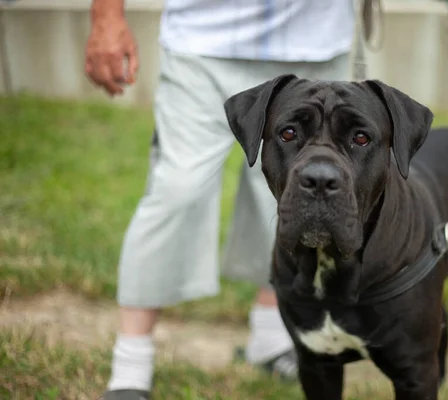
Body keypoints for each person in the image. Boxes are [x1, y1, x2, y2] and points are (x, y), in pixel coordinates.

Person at [84, 0, 363, 398]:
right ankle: (131, 361)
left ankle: (269, 337)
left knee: (291, 195)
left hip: (315, 40)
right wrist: (106, 17)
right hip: (203, 39)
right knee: (177, 190)